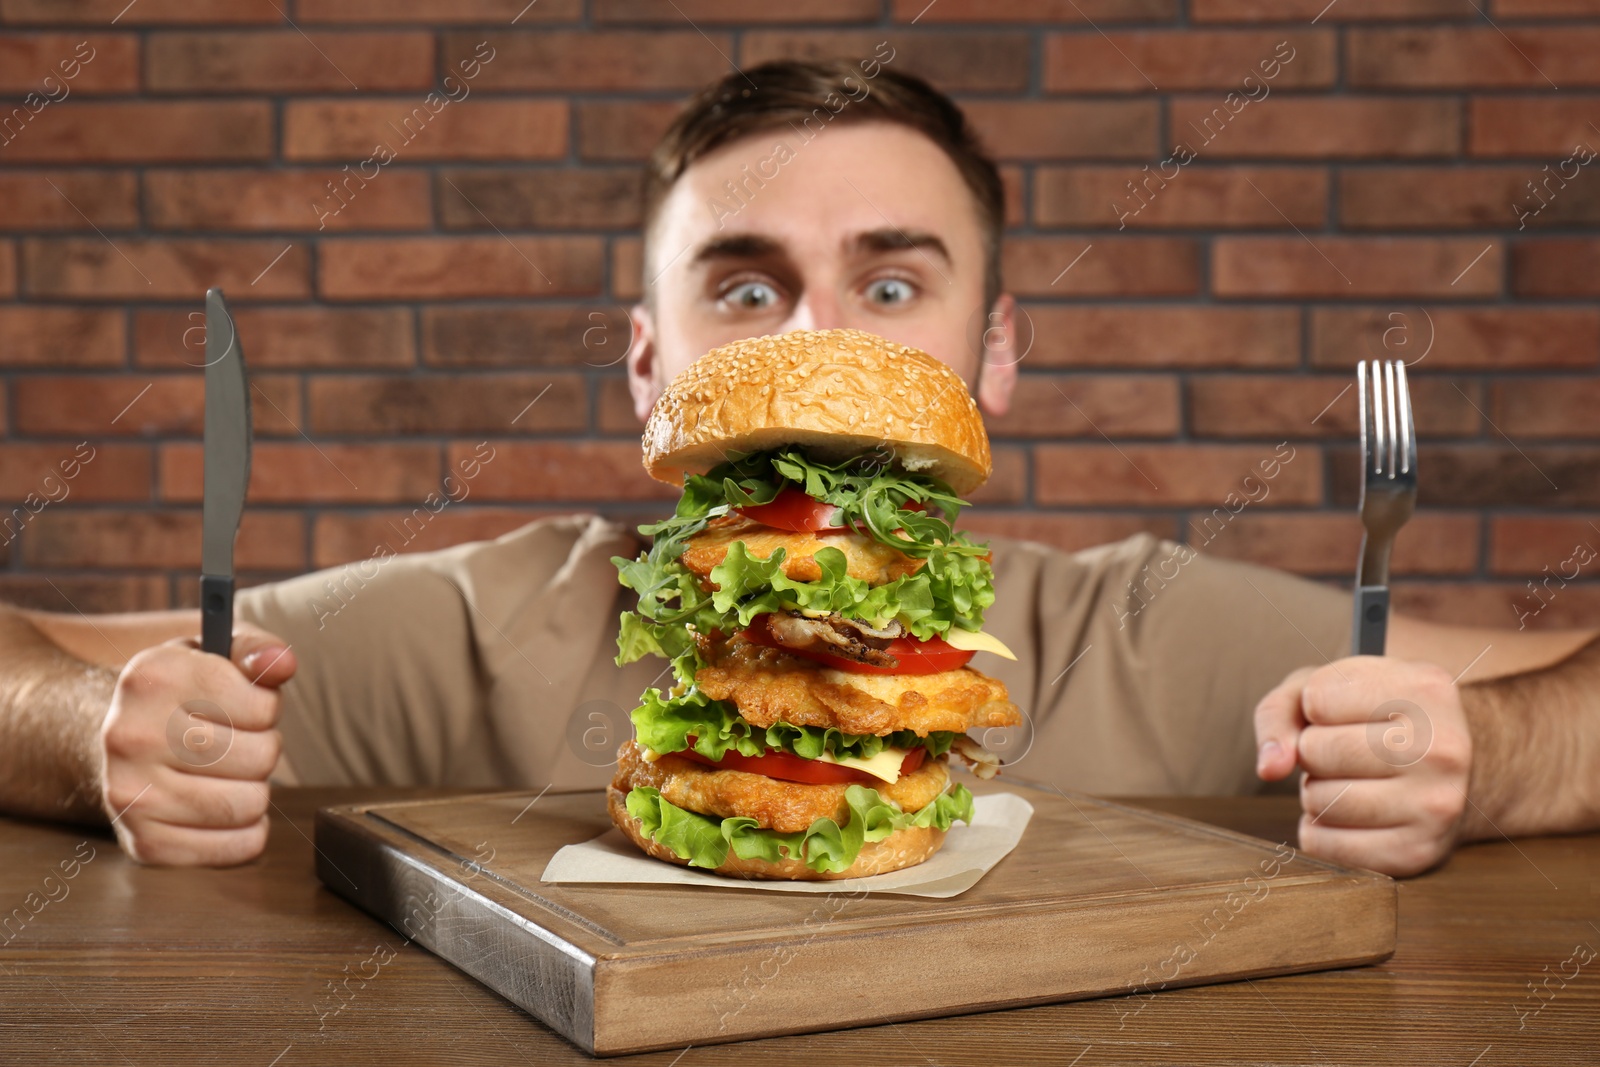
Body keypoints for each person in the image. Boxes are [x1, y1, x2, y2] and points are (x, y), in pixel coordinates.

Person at [1, 59, 1595, 877]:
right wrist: (99, 734)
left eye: (894, 287)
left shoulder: (1148, 626)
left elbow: (1558, 694)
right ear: (650, 366)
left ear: (996, 356)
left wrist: (1492, 758)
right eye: (746, 288)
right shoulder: (487, 618)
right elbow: (54, 671)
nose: (817, 338)